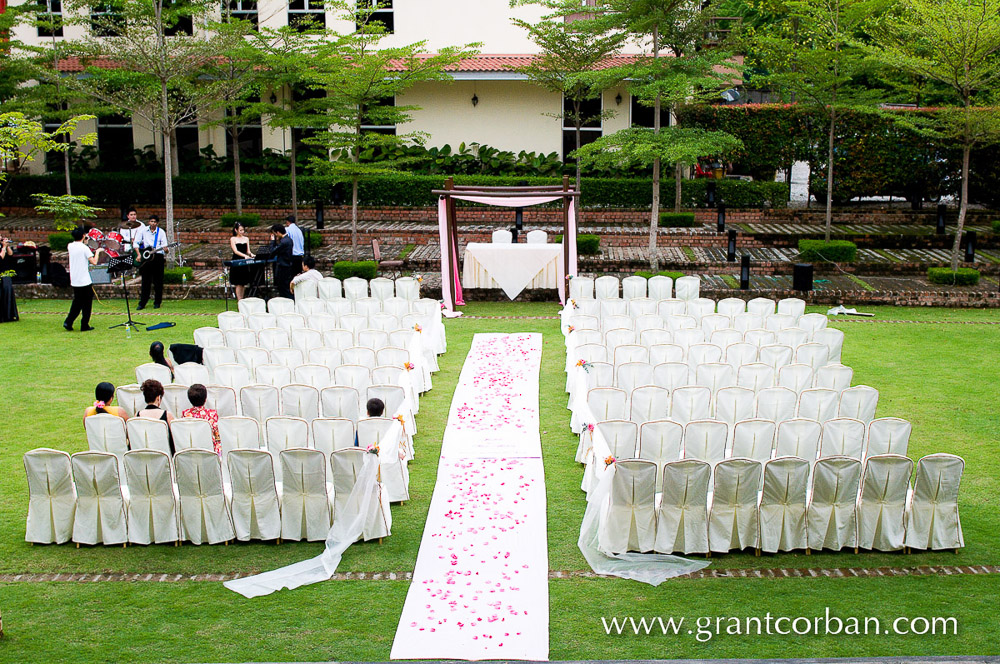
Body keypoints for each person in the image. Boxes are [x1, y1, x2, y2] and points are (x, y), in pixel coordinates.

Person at [64, 226, 104, 331]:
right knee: (86, 304)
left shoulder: (70, 246)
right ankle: (84, 324)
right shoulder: (85, 249)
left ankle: (69, 321)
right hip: (85, 280)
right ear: (83, 235)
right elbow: (94, 262)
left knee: (77, 302)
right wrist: (97, 252)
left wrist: (85, 242)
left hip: (75, 279)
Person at [136, 214, 168, 310]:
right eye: (151, 221)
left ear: (157, 223)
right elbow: (136, 242)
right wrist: (138, 254)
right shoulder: (143, 230)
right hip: (147, 256)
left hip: (157, 256)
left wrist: (166, 250)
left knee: (158, 281)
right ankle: (142, 302)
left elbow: (164, 245)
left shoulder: (161, 232)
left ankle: (157, 302)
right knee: (145, 281)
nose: (152, 223)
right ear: (149, 222)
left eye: (154, 222)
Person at [137, 378, 175, 454]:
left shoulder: (137, 415)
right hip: (164, 456)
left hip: (144, 455)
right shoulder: (167, 415)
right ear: (158, 398)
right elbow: (175, 437)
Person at [181, 383, 221, 455]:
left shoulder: (185, 414)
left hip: (191, 446)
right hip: (209, 448)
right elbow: (216, 433)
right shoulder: (212, 414)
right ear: (205, 399)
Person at [228, 222, 255, 301]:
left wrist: (251, 255)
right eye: (240, 230)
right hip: (237, 261)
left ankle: (242, 299)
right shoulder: (233, 239)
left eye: (243, 230)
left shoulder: (246, 239)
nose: (242, 232)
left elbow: (248, 251)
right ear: (236, 230)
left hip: (244, 262)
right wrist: (244, 256)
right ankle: (239, 300)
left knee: (243, 283)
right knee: (238, 283)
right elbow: (235, 251)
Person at [269, 223, 294, 299]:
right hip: (287, 265)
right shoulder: (289, 240)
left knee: (283, 288)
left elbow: (272, 251)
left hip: (283, 267)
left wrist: (272, 241)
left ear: (278, 232)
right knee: (285, 287)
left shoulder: (284, 242)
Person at [0, 236, 18, 323]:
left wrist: (7, 246)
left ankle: (9, 314)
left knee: (8, 290)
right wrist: (3, 248)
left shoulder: (2, 246)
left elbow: (11, 255)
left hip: (5, 272)